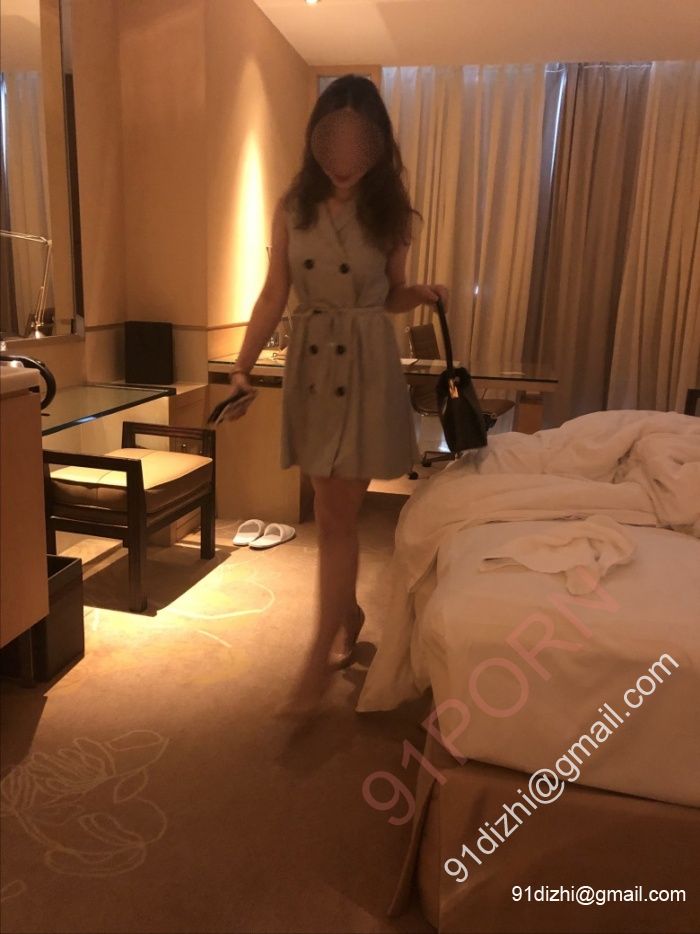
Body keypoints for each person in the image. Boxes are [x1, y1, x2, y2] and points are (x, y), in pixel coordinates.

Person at [225, 75, 448, 715]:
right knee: (331, 513)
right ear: (317, 139)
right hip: (314, 367)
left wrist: (419, 293)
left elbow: (391, 295)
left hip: (369, 365)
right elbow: (274, 292)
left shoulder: (391, 213)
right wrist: (242, 367)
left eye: (359, 139)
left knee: (336, 516)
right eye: (334, 137)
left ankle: (319, 650)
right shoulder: (293, 206)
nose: (345, 152)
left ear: (376, 143)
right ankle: (346, 614)